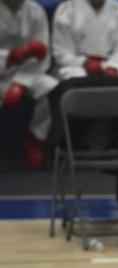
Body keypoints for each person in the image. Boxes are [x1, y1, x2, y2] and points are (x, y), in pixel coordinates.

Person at [0, 0, 57, 170]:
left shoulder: (36, 11)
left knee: (52, 88)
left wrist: (21, 83)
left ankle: (35, 139)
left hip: (28, 72)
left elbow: (43, 56)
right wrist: (10, 57)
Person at [52, 0, 118, 80]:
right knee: (73, 77)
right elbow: (62, 51)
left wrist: (113, 67)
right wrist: (85, 63)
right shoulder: (67, 10)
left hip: (112, 67)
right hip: (76, 69)